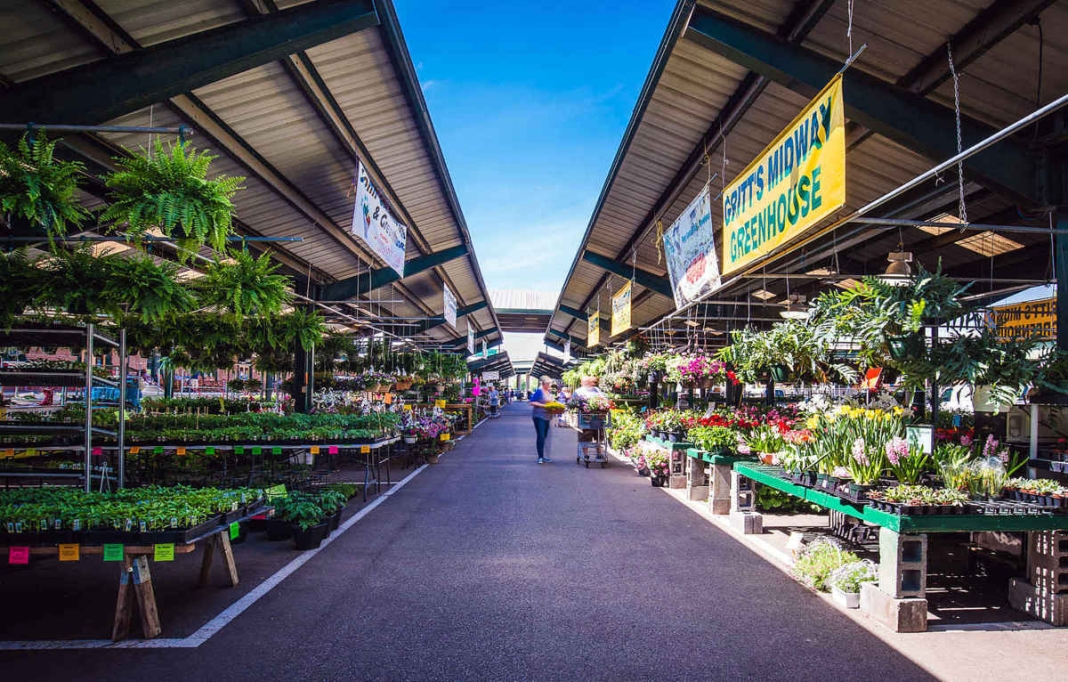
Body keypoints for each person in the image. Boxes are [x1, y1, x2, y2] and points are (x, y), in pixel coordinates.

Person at [529, 377, 555, 464]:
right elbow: (532, 402)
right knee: (541, 435)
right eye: (548, 384)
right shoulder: (539, 391)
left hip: (547, 416)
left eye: (550, 384)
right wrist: (543, 406)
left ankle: (544, 456)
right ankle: (540, 457)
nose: (549, 385)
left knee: (544, 436)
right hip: (539, 416)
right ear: (543, 384)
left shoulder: (548, 392)